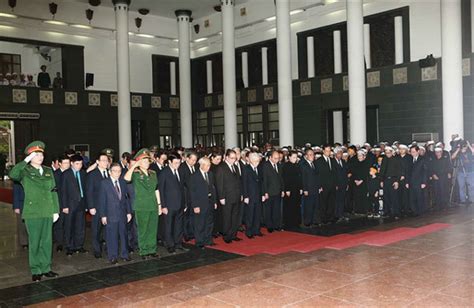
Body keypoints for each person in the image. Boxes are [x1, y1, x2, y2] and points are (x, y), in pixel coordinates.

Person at [9, 141, 60, 282]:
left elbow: (54, 191)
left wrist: (56, 210)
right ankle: (36, 269)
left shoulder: (48, 170)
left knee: (47, 241)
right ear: (30, 156)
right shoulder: (24, 171)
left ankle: (46, 268)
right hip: (33, 212)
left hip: (48, 211)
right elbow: (13, 174)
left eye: (41, 154)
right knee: (35, 242)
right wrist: (25, 160)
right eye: (36, 154)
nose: (40, 157)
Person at [124, 149, 160, 259]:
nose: (147, 163)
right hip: (141, 206)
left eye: (148, 161)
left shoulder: (153, 174)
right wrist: (134, 166)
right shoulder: (135, 174)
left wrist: (159, 205)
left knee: (152, 229)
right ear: (139, 162)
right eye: (144, 161)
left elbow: (156, 190)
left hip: (153, 204)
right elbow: (126, 179)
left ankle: (152, 249)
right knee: (142, 229)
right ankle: (143, 250)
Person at [99, 163, 132, 264]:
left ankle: (124, 254)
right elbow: (102, 200)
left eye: (119, 171)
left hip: (122, 213)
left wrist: (129, 212)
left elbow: (126, 198)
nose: (117, 173)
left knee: (123, 235)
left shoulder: (122, 182)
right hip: (110, 213)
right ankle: (112, 256)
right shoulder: (104, 183)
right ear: (110, 172)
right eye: (115, 171)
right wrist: (103, 215)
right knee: (111, 236)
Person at [158, 153, 187, 253]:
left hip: (180, 204)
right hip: (169, 205)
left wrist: (185, 203)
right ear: (169, 162)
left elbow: (183, 188)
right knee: (169, 226)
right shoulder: (164, 172)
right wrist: (163, 206)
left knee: (179, 225)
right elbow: (161, 190)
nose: (177, 165)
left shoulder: (180, 171)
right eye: (175, 163)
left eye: (179, 163)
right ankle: (170, 245)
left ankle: (178, 243)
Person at [61, 154, 88, 255]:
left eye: (81, 163)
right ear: (71, 163)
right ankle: (69, 246)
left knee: (80, 226)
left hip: (81, 203)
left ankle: (79, 245)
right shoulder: (66, 174)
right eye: (77, 164)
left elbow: (85, 189)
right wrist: (64, 206)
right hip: (70, 204)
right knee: (69, 226)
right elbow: (63, 191)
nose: (79, 166)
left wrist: (86, 204)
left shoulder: (83, 173)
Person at [86, 152, 110, 259]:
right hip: (97, 206)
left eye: (107, 160)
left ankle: (107, 248)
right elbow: (89, 191)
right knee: (96, 229)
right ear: (97, 162)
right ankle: (97, 250)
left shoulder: (110, 173)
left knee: (107, 229)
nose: (106, 162)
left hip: (109, 206)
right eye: (103, 160)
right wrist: (91, 206)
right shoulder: (93, 174)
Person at [215, 149, 242, 243]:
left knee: (235, 216)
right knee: (227, 217)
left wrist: (241, 194)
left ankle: (233, 234)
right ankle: (227, 235)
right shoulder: (221, 167)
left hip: (236, 195)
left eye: (235, 158)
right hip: (227, 196)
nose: (233, 160)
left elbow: (239, 182)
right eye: (231, 158)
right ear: (226, 157)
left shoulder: (236, 167)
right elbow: (219, 184)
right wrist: (221, 197)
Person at [190, 157, 217, 248]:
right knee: (200, 223)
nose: (209, 167)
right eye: (207, 165)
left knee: (209, 222)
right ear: (201, 165)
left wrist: (215, 201)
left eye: (209, 165)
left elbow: (213, 188)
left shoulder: (210, 174)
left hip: (210, 201)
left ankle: (208, 239)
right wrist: (195, 205)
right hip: (200, 203)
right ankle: (200, 241)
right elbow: (192, 192)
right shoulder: (195, 176)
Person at [262, 150, 285, 232]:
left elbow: (281, 178)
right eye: (275, 158)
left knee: (276, 210)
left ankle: (276, 225)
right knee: (269, 210)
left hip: (278, 191)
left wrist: (282, 190)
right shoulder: (265, 166)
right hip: (269, 191)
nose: (277, 160)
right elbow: (264, 180)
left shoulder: (278, 165)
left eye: (278, 158)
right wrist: (265, 192)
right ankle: (269, 226)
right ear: (270, 157)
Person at [242, 152, 264, 238]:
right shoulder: (246, 169)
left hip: (258, 195)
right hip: (250, 195)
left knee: (257, 214)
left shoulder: (259, 168)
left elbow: (261, 182)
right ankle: (249, 231)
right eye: (254, 161)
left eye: (258, 161)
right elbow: (244, 183)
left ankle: (256, 230)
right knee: (250, 214)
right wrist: (246, 196)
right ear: (250, 161)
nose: (256, 163)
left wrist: (262, 194)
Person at [315, 144, 337, 224]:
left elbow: (335, 173)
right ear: (323, 151)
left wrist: (336, 184)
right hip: (324, 186)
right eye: (327, 151)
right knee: (323, 203)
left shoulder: (333, 160)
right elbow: (318, 175)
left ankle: (330, 217)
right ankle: (323, 218)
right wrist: (319, 186)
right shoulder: (319, 161)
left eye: (329, 150)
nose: (328, 152)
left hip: (332, 185)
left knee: (331, 202)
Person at [179, 152, 198, 241]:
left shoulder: (196, 167)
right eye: (192, 160)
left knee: (193, 216)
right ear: (187, 158)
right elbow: (182, 185)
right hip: (187, 196)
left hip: (194, 195)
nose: (194, 162)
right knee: (186, 217)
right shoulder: (182, 168)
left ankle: (192, 232)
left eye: (195, 160)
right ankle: (186, 234)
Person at [53, 155, 70, 252]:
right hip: (59, 203)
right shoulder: (55, 174)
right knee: (59, 224)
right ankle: (59, 243)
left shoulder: (72, 173)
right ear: (59, 164)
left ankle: (68, 243)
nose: (67, 165)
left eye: (68, 163)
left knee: (68, 224)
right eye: (65, 163)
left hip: (70, 203)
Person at [299, 148, 321, 227]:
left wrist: (319, 187)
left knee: (316, 205)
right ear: (306, 156)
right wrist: (305, 189)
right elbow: (303, 178)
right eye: (310, 155)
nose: (312, 156)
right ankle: (307, 221)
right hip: (308, 189)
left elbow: (318, 176)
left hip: (315, 188)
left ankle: (315, 220)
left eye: (313, 154)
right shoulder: (304, 165)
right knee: (308, 206)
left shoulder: (315, 164)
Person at [379, 147, 402, 219]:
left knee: (394, 197)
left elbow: (399, 171)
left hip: (393, 180)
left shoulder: (396, 160)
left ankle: (396, 213)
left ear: (392, 152)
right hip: (386, 180)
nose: (387, 154)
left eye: (389, 153)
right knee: (386, 197)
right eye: (386, 153)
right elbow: (382, 171)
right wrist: (381, 180)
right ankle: (387, 212)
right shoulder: (384, 159)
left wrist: (396, 181)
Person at [281, 151, 302, 228]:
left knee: (296, 205)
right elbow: (285, 179)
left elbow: (300, 177)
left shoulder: (297, 165)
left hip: (296, 188)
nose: (295, 159)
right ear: (289, 157)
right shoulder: (286, 166)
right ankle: (289, 222)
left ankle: (296, 221)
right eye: (293, 157)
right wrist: (287, 189)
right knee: (289, 206)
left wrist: (301, 188)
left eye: (296, 157)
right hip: (290, 189)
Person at [407, 146, 428, 216]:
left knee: (419, 197)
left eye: (414, 152)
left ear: (418, 151)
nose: (412, 153)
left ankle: (421, 211)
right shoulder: (409, 159)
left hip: (419, 182)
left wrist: (424, 182)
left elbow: (425, 172)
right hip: (411, 182)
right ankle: (414, 211)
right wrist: (407, 182)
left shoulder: (423, 159)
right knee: (412, 197)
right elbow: (408, 172)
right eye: (411, 152)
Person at [451, 140, 473, 205]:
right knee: (461, 186)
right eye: (464, 146)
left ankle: (472, 199)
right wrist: (458, 149)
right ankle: (463, 200)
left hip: (470, 171)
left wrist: (469, 145)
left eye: (465, 145)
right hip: (461, 172)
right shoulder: (459, 153)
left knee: (472, 186)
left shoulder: (469, 151)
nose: (464, 147)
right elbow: (452, 157)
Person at [351, 150, 371, 215]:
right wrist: (355, 180)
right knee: (356, 197)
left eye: (360, 156)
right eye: (358, 156)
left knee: (363, 197)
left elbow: (366, 174)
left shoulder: (366, 163)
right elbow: (353, 173)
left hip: (363, 183)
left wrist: (361, 181)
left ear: (364, 156)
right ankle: (357, 210)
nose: (359, 157)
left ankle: (363, 210)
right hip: (356, 183)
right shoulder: (355, 163)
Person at [334, 147, 349, 221]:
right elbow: (333, 174)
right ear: (335, 154)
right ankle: (336, 215)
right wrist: (335, 184)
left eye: (341, 153)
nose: (340, 155)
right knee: (336, 200)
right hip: (337, 185)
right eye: (339, 153)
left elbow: (345, 173)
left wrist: (346, 184)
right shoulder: (333, 162)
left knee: (342, 199)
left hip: (343, 184)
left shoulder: (343, 161)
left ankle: (341, 214)